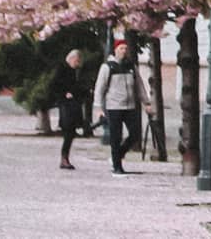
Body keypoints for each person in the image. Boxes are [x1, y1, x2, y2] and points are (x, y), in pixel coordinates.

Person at [93, 39, 151, 175]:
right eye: (121, 48)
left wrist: (146, 102)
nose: (124, 51)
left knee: (135, 133)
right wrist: (98, 108)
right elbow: (100, 88)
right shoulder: (108, 67)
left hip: (130, 106)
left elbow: (139, 85)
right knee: (116, 136)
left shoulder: (131, 66)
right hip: (114, 106)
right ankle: (117, 167)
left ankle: (118, 154)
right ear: (115, 50)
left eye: (125, 48)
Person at [53, 49, 85, 170]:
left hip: (73, 104)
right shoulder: (62, 69)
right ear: (71, 59)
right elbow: (55, 85)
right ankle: (64, 158)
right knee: (68, 132)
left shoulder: (73, 71)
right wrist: (65, 93)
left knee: (71, 133)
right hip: (66, 105)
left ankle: (65, 157)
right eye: (77, 61)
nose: (78, 64)